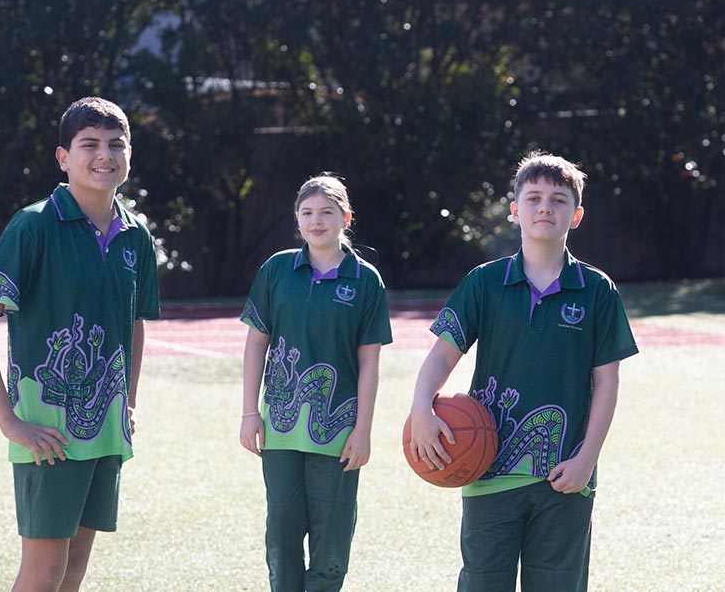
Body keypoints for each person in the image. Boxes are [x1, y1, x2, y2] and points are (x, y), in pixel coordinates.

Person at [406, 152, 639, 592]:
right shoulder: (485, 282)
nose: (545, 207)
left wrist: (587, 459)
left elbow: (607, 382)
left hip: (565, 475)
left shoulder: (598, 291)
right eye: (533, 198)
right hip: (487, 468)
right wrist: (421, 406)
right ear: (515, 211)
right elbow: (442, 355)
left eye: (558, 199)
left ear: (577, 214)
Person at [0, 96, 161, 592]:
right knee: (44, 570)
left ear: (130, 153)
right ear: (62, 157)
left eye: (116, 145)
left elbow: (134, 323)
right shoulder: (33, 226)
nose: (104, 155)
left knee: (74, 567)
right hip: (49, 430)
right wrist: (9, 420)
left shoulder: (135, 235)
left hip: (106, 425)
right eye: (89, 144)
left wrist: (129, 400)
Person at [238, 174, 392, 591]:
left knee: (333, 534)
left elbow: (369, 362)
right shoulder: (277, 270)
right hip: (280, 429)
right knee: (282, 529)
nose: (316, 221)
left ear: (346, 217)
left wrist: (363, 431)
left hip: (339, 432)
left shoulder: (366, 279)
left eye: (326, 212)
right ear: (297, 219)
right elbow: (256, 345)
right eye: (307, 212)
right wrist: (250, 413)